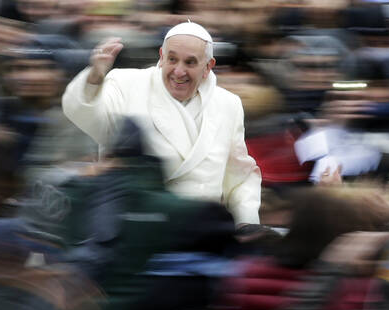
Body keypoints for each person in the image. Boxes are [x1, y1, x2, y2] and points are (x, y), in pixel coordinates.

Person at [61, 21, 261, 225]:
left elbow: (239, 177)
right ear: (161, 56)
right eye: (172, 59)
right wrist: (94, 78)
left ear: (208, 66)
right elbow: (82, 113)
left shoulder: (228, 103)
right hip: (137, 226)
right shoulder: (125, 84)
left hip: (201, 232)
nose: (179, 72)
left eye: (190, 62)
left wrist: (247, 223)